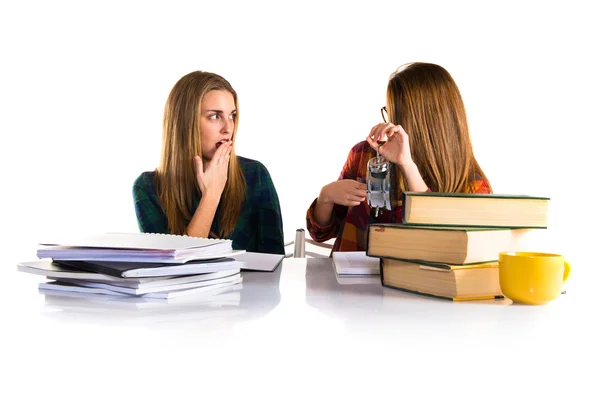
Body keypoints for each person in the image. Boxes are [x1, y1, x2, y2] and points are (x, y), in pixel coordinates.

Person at [306, 62, 492, 254]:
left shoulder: (471, 185)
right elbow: (321, 232)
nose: (390, 121)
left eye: (395, 112)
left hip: (414, 282)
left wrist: (408, 165)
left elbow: (446, 246)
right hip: (348, 280)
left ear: (422, 120)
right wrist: (325, 197)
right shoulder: (364, 155)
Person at [133, 71, 285, 254]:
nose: (228, 129)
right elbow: (174, 268)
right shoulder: (147, 188)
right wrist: (211, 196)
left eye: (232, 115)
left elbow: (275, 262)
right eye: (215, 116)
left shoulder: (255, 175)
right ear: (185, 122)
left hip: (251, 283)